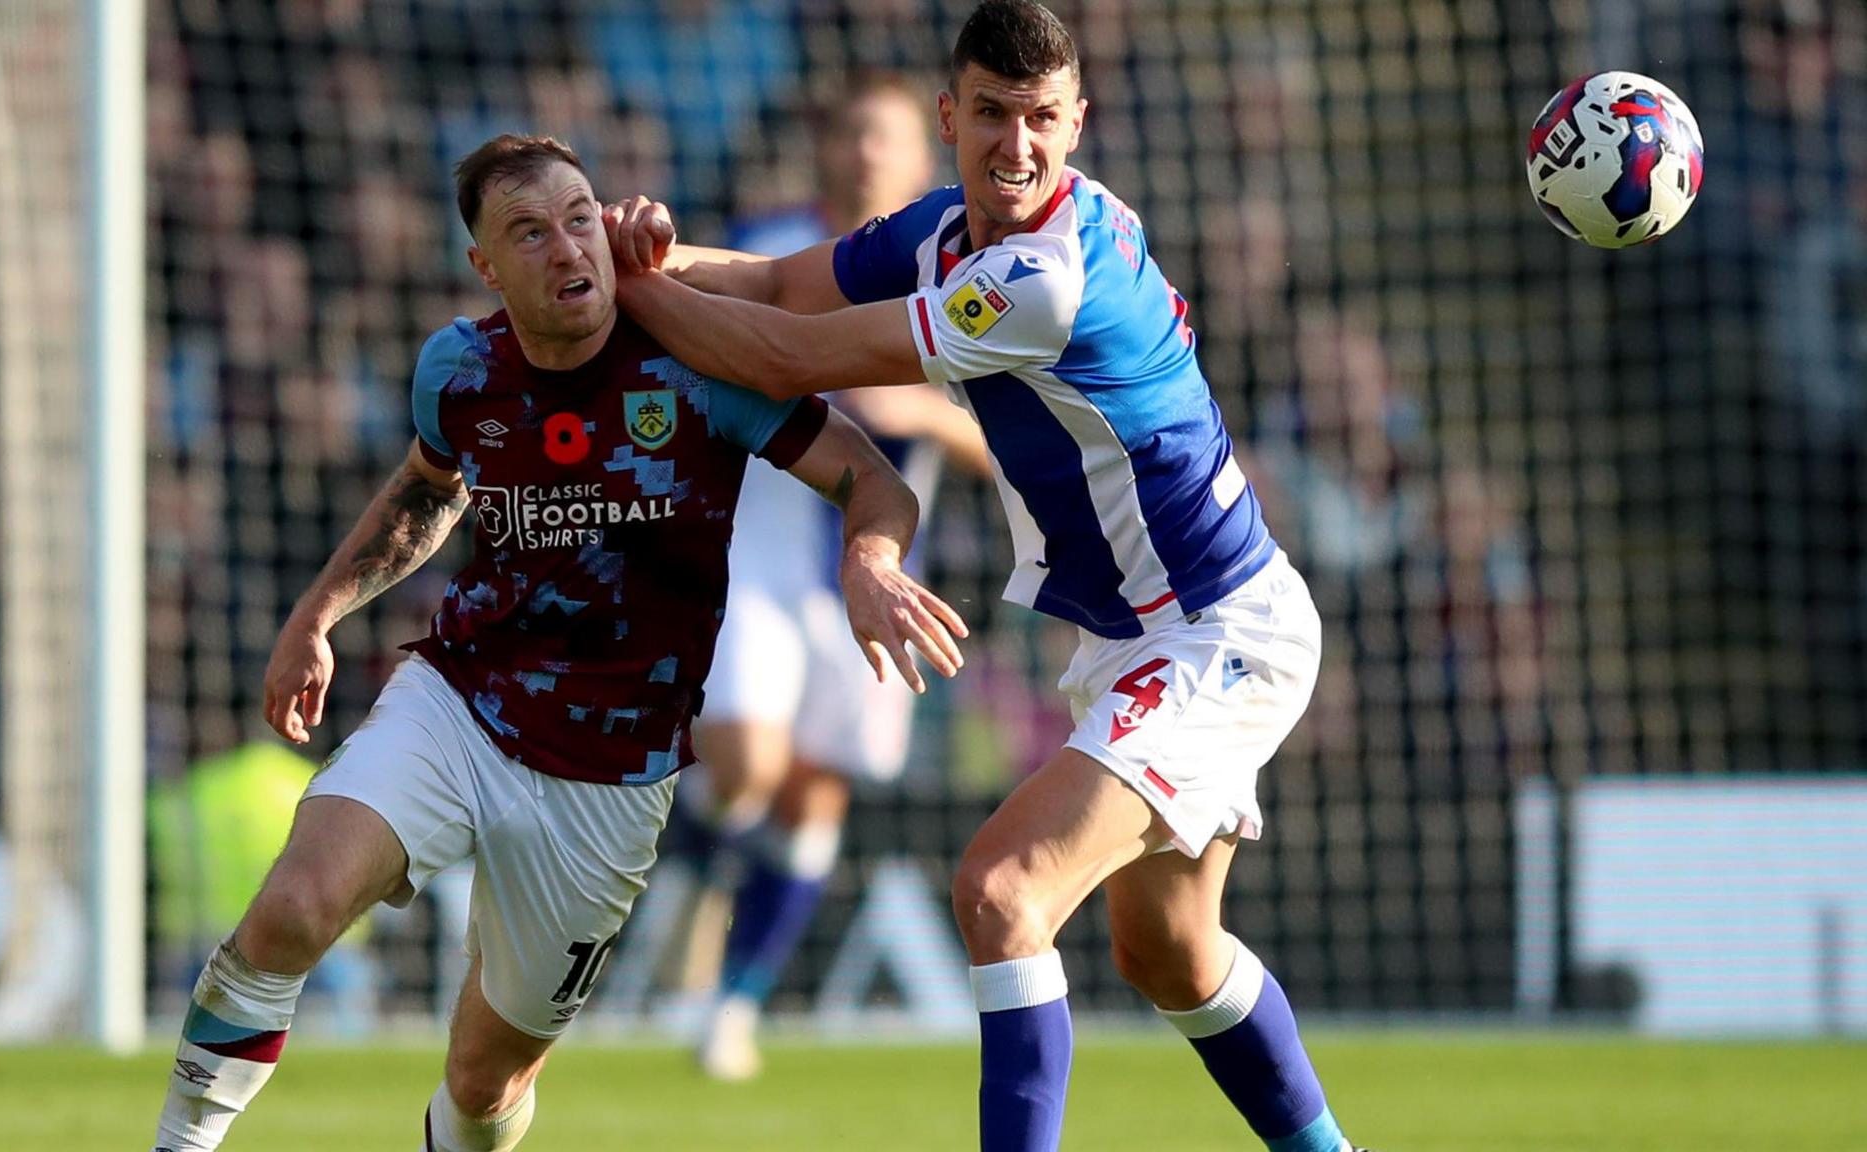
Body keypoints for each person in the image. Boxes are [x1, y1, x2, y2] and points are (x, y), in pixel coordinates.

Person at [605, 3, 1367, 1149]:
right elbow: (773, 285)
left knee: (1002, 893)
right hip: (1136, 637)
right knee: (1166, 951)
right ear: (949, 119)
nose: (1019, 146)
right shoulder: (948, 232)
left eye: (1044, 120)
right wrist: (630, 259)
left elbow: (784, 358)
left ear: (1079, 122)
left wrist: (611, 293)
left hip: (1215, 634)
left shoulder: (1042, 277)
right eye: (996, 116)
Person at [148, 133, 966, 1152]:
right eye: (527, 233)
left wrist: (870, 565)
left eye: (579, 219)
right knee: (295, 907)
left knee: (484, 1083)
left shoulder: (697, 363)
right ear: (485, 268)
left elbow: (871, 482)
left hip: (611, 773)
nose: (563, 248)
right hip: (462, 701)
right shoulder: (460, 367)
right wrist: (317, 615)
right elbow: (424, 492)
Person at [680, 70, 989, 1082]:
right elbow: (690, 342)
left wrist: (923, 417)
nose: (866, 152)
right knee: (745, 766)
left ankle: (731, 1006)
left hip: (880, 567)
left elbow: (1009, 439)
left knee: (813, 799)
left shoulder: (963, 271)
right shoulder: (770, 241)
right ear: (826, 144)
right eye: (852, 131)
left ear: (921, 157)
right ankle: (655, 830)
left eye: (886, 138)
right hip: (759, 550)